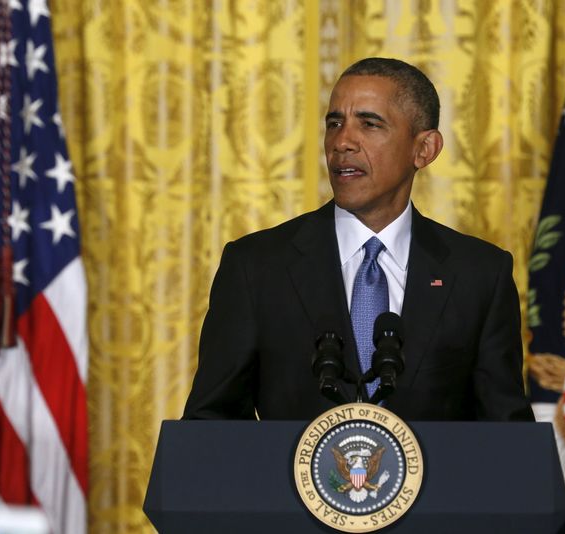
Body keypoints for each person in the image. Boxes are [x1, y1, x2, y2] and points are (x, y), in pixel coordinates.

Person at [183, 58, 534, 422]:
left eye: (369, 124)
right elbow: (211, 426)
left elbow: (504, 438)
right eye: (334, 123)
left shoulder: (479, 275)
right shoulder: (256, 267)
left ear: (424, 149)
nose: (342, 142)